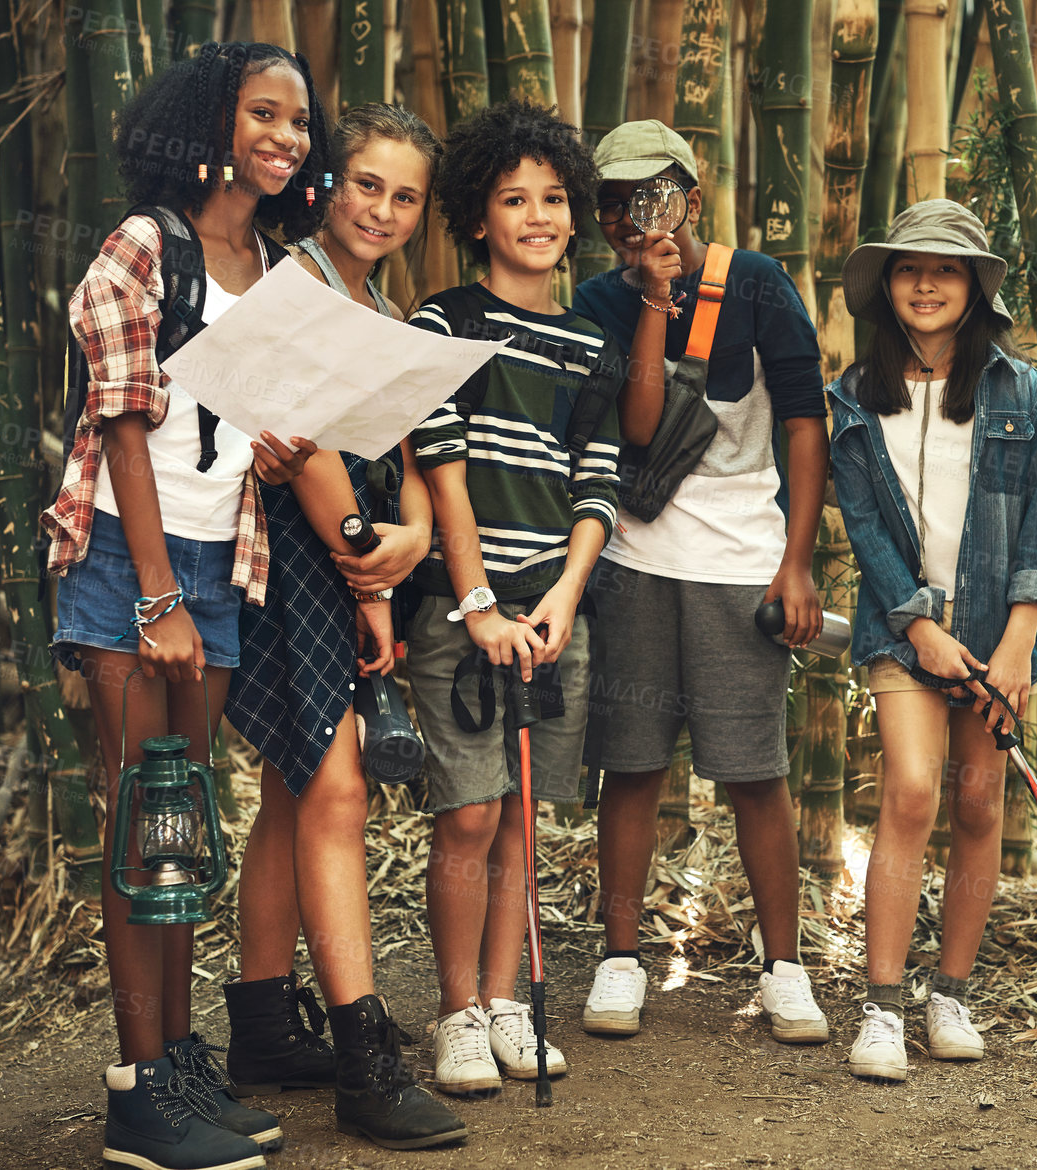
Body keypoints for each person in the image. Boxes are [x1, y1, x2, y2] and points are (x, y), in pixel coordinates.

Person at [41, 41, 331, 1170]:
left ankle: (173, 1065)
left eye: (300, 123)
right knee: (136, 830)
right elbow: (122, 427)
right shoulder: (145, 246)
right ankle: (133, 1090)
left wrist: (275, 448)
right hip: (131, 562)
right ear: (212, 123)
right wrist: (157, 597)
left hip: (221, 562)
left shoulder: (274, 264)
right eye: (266, 114)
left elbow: (221, 435)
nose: (287, 138)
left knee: (181, 829)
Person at [220, 102, 468, 1149]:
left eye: (404, 195)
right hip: (282, 554)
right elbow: (309, 445)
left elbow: (407, 454)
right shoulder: (292, 284)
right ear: (326, 183)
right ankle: (365, 1064)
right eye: (367, 183)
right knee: (334, 785)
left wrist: (409, 539)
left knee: (293, 782)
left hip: (345, 561)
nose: (383, 207)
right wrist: (376, 561)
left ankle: (266, 1023)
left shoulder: (391, 307)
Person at [569, 120, 832, 1045]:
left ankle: (786, 967)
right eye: (614, 200)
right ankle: (620, 956)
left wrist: (796, 562)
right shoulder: (600, 298)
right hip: (635, 559)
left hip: (740, 564)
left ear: (691, 189)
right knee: (632, 766)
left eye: (653, 193)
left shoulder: (758, 282)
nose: (634, 213)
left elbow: (805, 422)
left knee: (754, 773)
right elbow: (637, 429)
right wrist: (651, 297)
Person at [405, 99, 620, 1096]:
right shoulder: (443, 322)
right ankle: (453, 1014)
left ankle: (503, 1002)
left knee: (527, 818)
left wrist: (565, 596)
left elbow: (596, 483)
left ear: (573, 211)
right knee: (468, 815)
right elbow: (441, 468)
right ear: (476, 216)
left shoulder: (587, 345)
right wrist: (478, 601)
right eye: (510, 199)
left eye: (550, 198)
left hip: (550, 607)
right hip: (465, 607)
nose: (536, 216)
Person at [826, 199, 1037, 1083]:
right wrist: (920, 625)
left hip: (1002, 630)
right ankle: (882, 1006)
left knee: (977, 806)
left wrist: (1017, 641)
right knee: (914, 793)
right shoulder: (852, 397)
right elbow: (864, 530)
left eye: (947, 269)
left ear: (974, 287)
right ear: (886, 285)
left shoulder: (1020, 390)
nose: (926, 283)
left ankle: (951, 993)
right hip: (903, 629)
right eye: (909, 268)